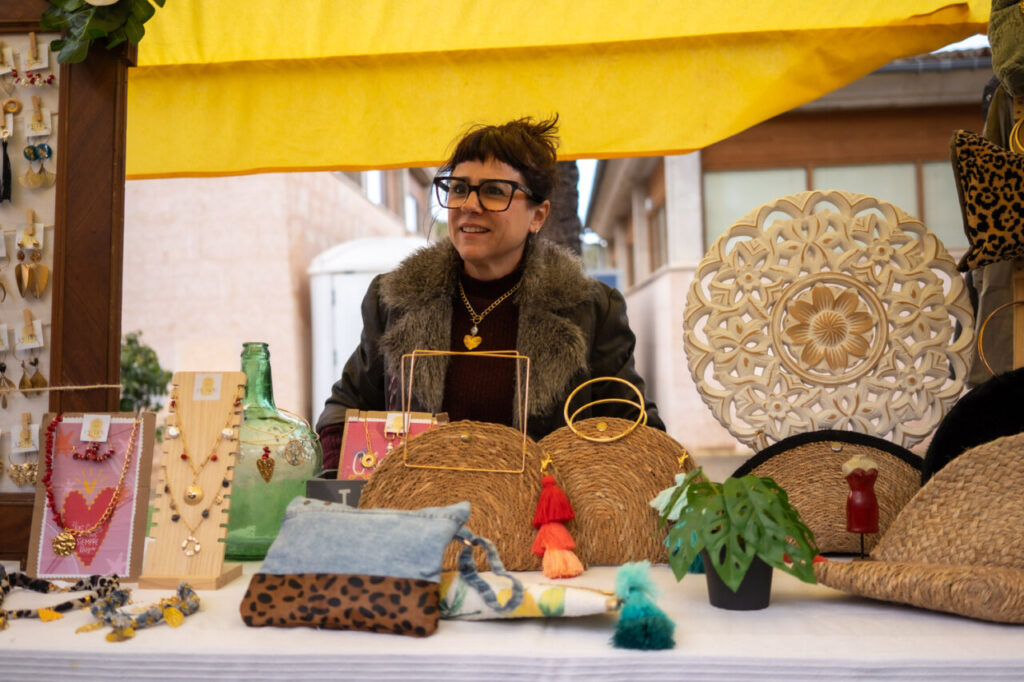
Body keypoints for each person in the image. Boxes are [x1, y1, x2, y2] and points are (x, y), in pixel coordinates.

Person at [315, 116, 664, 470]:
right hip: (419, 518)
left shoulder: (589, 309)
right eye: (459, 188)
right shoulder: (392, 300)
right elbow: (343, 409)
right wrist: (344, 487)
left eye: (494, 190)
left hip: (542, 520)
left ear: (538, 215)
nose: (469, 204)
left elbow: (634, 430)